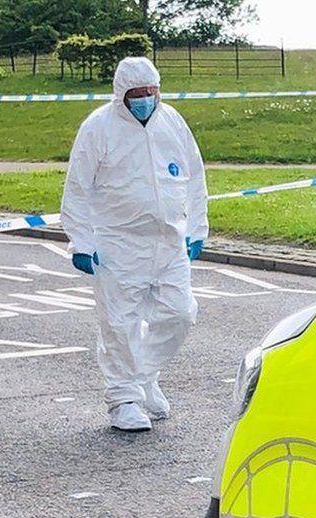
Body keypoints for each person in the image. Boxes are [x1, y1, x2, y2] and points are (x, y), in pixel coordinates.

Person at [60, 57, 209, 432]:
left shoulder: (172, 123)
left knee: (180, 312)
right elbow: (78, 186)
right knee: (120, 323)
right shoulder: (99, 128)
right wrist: (80, 240)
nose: (145, 100)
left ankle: (143, 377)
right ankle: (123, 399)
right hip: (118, 244)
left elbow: (194, 177)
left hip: (170, 240)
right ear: (120, 95)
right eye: (136, 94)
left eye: (151, 93)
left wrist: (197, 228)